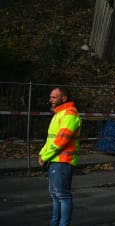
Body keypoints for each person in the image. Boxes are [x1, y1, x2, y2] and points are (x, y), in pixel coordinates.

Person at [38, 87, 81, 226]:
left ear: (64, 98)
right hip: (55, 160)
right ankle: (55, 223)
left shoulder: (69, 114)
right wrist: (42, 154)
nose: (50, 100)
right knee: (56, 196)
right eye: (50, 97)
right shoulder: (59, 114)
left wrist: (44, 156)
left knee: (62, 196)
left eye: (53, 97)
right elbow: (50, 139)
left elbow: (61, 141)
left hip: (63, 161)